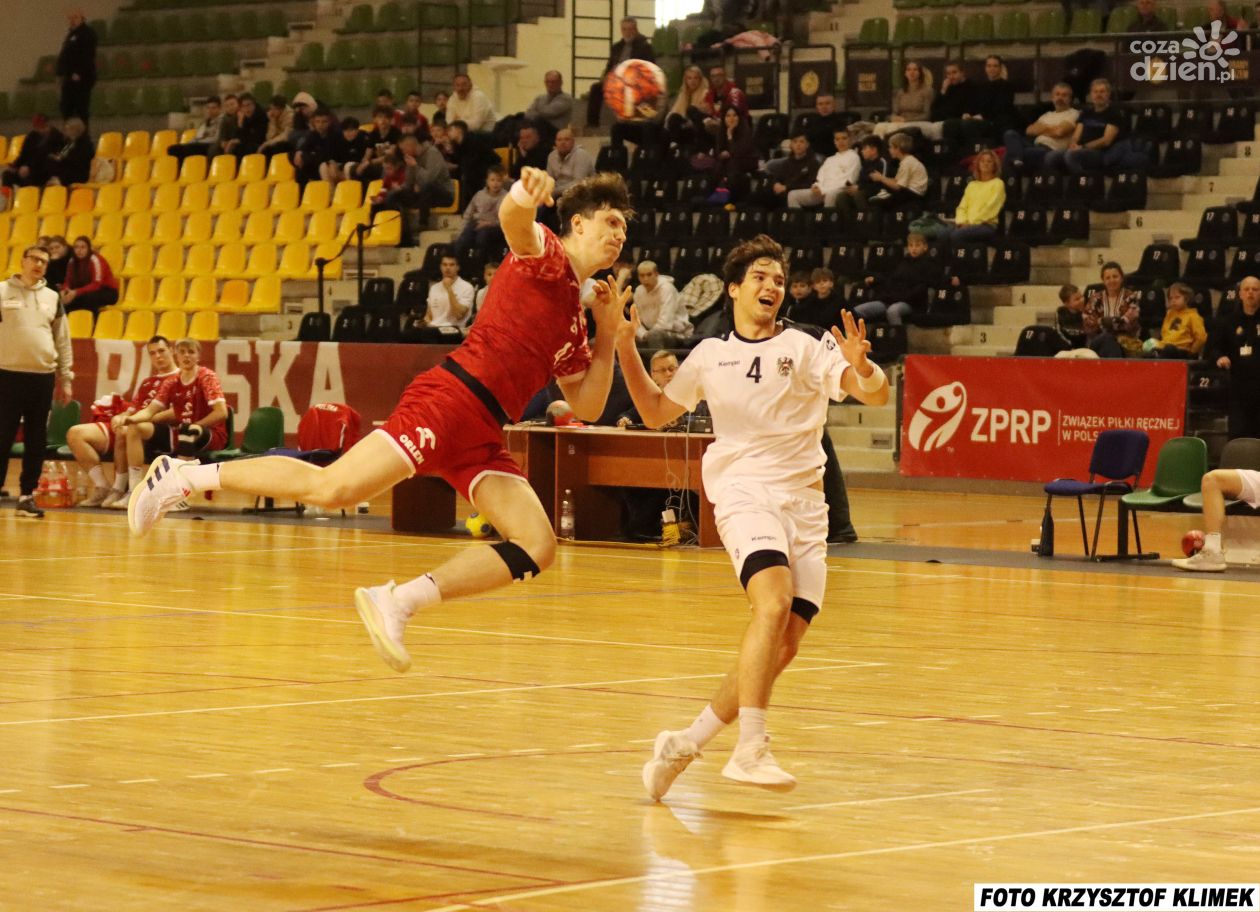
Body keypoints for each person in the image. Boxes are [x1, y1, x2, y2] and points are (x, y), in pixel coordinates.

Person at [128, 171, 636, 676]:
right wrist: (525, 192)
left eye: (624, 229)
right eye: (611, 222)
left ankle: (397, 601)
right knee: (333, 489)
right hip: (450, 401)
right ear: (577, 223)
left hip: (484, 431)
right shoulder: (547, 256)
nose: (619, 235)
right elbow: (513, 218)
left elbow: (589, 406)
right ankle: (183, 475)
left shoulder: (576, 321)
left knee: (537, 545)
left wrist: (608, 333)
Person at [617, 235, 890, 797]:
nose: (772, 286)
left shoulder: (808, 343)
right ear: (735, 289)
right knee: (773, 602)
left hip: (806, 506)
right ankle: (750, 748)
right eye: (760, 277)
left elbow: (874, 395)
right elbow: (654, 412)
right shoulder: (709, 354)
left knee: (783, 644)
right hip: (744, 492)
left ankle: (684, 743)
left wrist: (864, 369)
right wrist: (625, 347)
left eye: (779, 279)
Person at [0, 246, 74, 519]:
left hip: (42, 377)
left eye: (44, 261)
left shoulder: (52, 297)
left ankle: (26, 496)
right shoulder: (2, 291)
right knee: (2, 435)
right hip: (7, 374)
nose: (39, 264)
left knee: (36, 438)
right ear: (23, 261)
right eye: (34, 259)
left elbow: (62, 340)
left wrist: (66, 378)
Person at [67, 335, 177, 507]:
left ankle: (128, 490)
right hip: (135, 424)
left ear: (172, 350)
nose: (158, 356)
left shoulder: (180, 378)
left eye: (161, 351)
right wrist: (121, 416)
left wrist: (142, 418)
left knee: (128, 429)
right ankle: (103, 487)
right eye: (153, 353)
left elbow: (179, 411)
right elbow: (132, 409)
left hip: (157, 430)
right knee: (75, 433)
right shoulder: (148, 382)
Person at [122, 338, 229, 466]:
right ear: (176, 355)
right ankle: (137, 478)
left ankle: (182, 474)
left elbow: (222, 412)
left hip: (211, 432)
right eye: (182, 352)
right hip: (181, 430)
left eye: (191, 352)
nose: (186, 355)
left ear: (198, 356)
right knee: (136, 428)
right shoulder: (172, 381)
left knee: (188, 430)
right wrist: (131, 419)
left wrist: (197, 425)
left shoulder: (206, 376)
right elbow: (150, 411)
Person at [369, 131, 454, 246]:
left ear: (411, 145)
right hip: (422, 194)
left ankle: (423, 224)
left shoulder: (432, 153)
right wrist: (399, 189)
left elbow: (430, 179)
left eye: (404, 149)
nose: (403, 152)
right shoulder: (411, 158)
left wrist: (415, 166)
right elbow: (408, 183)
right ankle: (404, 236)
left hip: (443, 193)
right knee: (393, 196)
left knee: (426, 187)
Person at [1046, 79, 1140, 175]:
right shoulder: (1086, 113)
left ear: (1108, 94)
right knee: (1051, 156)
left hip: (1100, 152)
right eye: (1095, 92)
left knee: (1071, 156)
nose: (1098, 95)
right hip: (1080, 149)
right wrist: (1073, 144)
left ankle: (1084, 180)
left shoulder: (1114, 114)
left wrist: (1083, 147)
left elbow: (1106, 140)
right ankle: (1058, 182)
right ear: (1091, 95)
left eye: (1102, 92)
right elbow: (1076, 135)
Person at [1207, 275, 1260, 440]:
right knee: (1238, 435)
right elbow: (1212, 348)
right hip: (1238, 387)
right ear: (1240, 294)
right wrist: (1220, 357)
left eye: (1255, 289)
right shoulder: (1228, 322)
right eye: (1247, 289)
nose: (1250, 293)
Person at [854, 231, 943, 325]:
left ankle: (897, 334)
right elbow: (890, 278)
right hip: (890, 300)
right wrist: (875, 280)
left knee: (893, 311)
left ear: (925, 247)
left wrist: (899, 297)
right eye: (911, 245)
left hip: (911, 304)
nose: (914, 248)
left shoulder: (929, 265)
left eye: (917, 245)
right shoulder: (903, 262)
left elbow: (922, 288)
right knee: (856, 311)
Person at [587, 17, 656, 128]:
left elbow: (650, 67)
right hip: (616, 80)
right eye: (624, 29)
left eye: (630, 29)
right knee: (596, 88)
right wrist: (606, 77)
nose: (627, 33)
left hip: (634, 81)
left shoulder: (645, 47)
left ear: (635, 30)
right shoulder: (616, 47)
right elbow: (610, 66)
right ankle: (592, 124)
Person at [1003, 82, 1079, 173]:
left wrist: (1041, 128)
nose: (1060, 98)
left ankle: (1017, 161)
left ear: (1070, 99)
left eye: (1064, 95)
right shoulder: (1047, 115)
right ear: (1052, 97)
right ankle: (1017, 160)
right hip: (1035, 145)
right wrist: (1052, 128)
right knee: (1010, 134)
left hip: (1050, 149)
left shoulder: (1074, 113)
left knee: (1009, 154)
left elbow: (1059, 132)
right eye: (1057, 94)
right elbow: (1029, 130)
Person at [788, 128, 859, 209]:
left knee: (830, 194)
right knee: (792, 195)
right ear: (834, 142)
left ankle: (827, 217)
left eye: (844, 138)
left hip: (839, 190)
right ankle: (797, 217)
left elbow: (849, 181)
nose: (841, 142)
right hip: (822, 190)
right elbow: (820, 176)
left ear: (850, 140)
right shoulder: (830, 159)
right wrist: (816, 186)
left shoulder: (854, 157)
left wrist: (824, 189)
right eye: (837, 139)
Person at [948, 149, 1005, 246]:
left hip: (986, 225)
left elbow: (990, 208)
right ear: (978, 164)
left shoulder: (998, 184)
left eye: (989, 161)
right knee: (943, 234)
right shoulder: (972, 185)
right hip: (967, 223)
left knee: (957, 235)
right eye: (982, 161)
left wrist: (971, 223)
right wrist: (962, 222)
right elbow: (962, 207)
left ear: (994, 165)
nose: (985, 163)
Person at [1085, 261, 1142, 356]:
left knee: (1110, 340)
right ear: (1103, 280)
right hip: (1099, 342)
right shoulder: (1095, 298)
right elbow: (1089, 324)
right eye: (1108, 278)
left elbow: (1128, 323)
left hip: (1125, 343)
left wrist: (1101, 321)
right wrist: (1115, 322)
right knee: (1107, 338)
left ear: (1122, 278)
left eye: (1115, 276)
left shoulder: (1131, 297)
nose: (1112, 280)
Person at [453, 164, 508, 260]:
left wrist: (489, 223)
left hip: (495, 226)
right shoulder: (479, 195)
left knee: (482, 235)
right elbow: (468, 214)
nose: (495, 183)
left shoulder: (507, 197)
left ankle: (479, 261)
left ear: (502, 182)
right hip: (477, 223)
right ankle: (457, 261)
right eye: (492, 180)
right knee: (464, 238)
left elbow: (507, 220)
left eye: (498, 180)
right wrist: (460, 232)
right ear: (487, 181)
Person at [633, 260, 692, 347]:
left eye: (649, 275)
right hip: (649, 332)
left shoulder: (667, 289)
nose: (645, 279)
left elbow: (665, 323)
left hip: (676, 332)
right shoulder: (638, 291)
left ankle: (658, 356)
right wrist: (643, 334)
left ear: (656, 274)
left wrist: (648, 335)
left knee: (655, 335)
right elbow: (636, 320)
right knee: (624, 332)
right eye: (642, 275)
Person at [871, 60, 935, 138]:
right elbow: (895, 112)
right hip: (900, 122)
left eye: (915, 69)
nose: (912, 72)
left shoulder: (927, 91)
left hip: (918, 122)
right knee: (879, 126)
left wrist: (906, 120)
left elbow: (927, 115)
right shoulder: (900, 92)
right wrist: (893, 118)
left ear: (920, 73)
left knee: (893, 128)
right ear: (905, 73)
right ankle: (874, 146)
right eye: (908, 70)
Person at [1144, 282, 1206, 359]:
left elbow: (1201, 337)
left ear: (1186, 298)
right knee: (1148, 350)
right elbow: (1164, 333)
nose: (1173, 300)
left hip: (1182, 350)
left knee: (1169, 349)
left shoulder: (1193, 316)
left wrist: (1192, 352)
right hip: (1165, 348)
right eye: (1171, 298)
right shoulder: (1169, 314)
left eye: (1177, 297)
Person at [868, 133, 930, 210]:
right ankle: (883, 194)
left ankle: (883, 195)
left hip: (913, 194)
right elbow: (897, 181)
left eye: (890, 147)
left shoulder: (907, 163)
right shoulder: (907, 161)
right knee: (885, 186)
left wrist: (881, 178)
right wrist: (882, 178)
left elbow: (898, 186)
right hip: (910, 192)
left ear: (898, 148)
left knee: (882, 203)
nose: (889, 150)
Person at [59, 236, 118, 316]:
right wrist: (65, 290)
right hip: (85, 291)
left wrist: (76, 292)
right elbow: (68, 281)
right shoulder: (72, 261)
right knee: (64, 302)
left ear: (89, 248)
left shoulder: (95, 259)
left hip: (107, 291)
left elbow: (96, 284)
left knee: (88, 299)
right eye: (76, 247)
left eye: (83, 247)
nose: (79, 250)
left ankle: (92, 322)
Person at [57, 11, 97, 123]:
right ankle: (68, 131)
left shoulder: (87, 34)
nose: (72, 20)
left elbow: (87, 55)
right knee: (66, 108)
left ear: (82, 19)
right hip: (69, 77)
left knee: (81, 109)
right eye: (70, 18)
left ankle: (82, 132)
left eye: (75, 17)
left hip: (81, 77)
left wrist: (78, 72)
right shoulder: (71, 34)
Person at [2, 116, 64, 188]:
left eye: (43, 127)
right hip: (27, 169)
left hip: (42, 172)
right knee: (7, 175)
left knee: (30, 179)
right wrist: (15, 166)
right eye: (38, 127)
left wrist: (29, 168)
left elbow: (48, 158)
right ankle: (7, 194)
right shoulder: (32, 136)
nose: (40, 130)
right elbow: (23, 154)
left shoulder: (57, 137)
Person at [712, 106, 758, 203]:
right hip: (728, 165)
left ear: (739, 117)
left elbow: (738, 153)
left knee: (732, 164)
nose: (731, 118)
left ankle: (725, 196)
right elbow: (718, 153)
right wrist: (722, 155)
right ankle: (719, 196)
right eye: (728, 116)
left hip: (745, 162)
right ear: (724, 118)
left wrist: (730, 136)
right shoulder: (721, 132)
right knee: (717, 165)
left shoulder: (745, 132)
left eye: (734, 115)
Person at [168, 96, 223, 162]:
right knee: (173, 149)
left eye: (213, 108)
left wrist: (199, 142)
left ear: (219, 109)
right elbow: (197, 137)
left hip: (209, 146)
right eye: (208, 108)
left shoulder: (222, 122)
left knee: (184, 150)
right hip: (199, 145)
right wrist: (188, 143)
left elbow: (216, 139)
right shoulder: (205, 123)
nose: (210, 110)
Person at [46, 118, 94, 186]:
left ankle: (59, 181)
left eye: (67, 130)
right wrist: (57, 157)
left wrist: (62, 159)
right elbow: (62, 154)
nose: (65, 132)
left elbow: (78, 160)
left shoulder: (85, 144)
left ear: (75, 130)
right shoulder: (70, 142)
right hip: (67, 168)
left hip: (79, 172)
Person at [546, 128, 594, 196]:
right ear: (555, 142)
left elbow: (579, 183)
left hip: (579, 194)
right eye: (559, 140)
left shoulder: (581, 155)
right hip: (557, 194)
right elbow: (549, 180)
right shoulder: (552, 156)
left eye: (567, 139)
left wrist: (555, 191)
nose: (563, 143)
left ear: (573, 142)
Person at [525, 70, 574, 136]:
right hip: (537, 130)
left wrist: (536, 110)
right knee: (516, 119)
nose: (550, 85)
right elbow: (528, 113)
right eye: (547, 82)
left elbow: (549, 112)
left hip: (555, 132)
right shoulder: (540, 98)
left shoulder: (566, 98)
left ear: (560, 83)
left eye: (553, 82)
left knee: (538, 120)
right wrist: (537, 112)